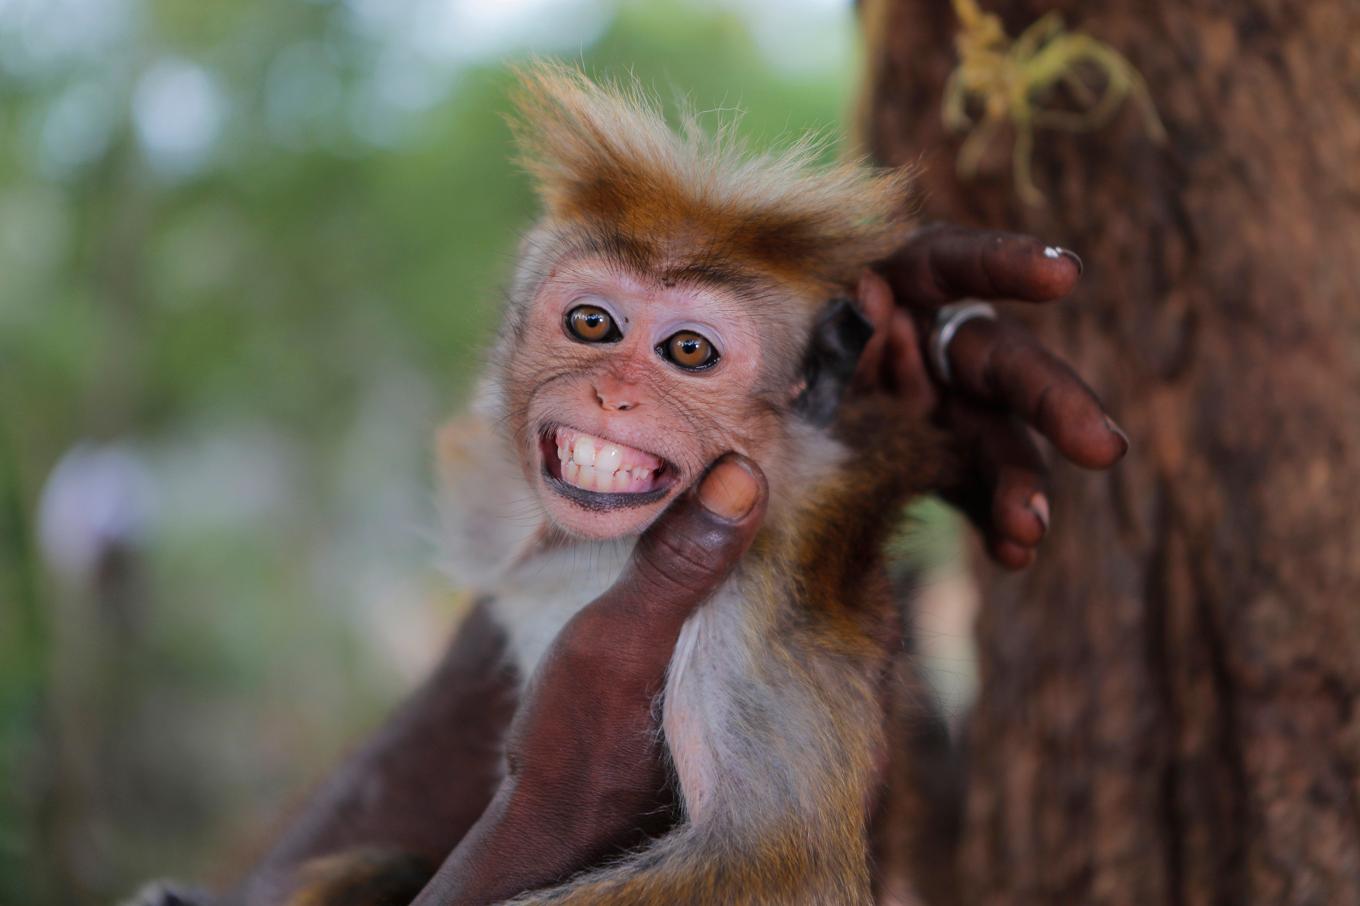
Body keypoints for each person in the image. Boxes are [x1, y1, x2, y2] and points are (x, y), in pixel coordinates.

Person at [134, 226, 1127, 906]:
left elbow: (783, 877)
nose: (614, 389)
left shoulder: (769, 564)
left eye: (689, 348)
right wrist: (543, 813)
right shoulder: (536, 532)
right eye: (593, 325)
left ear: (793, 396)